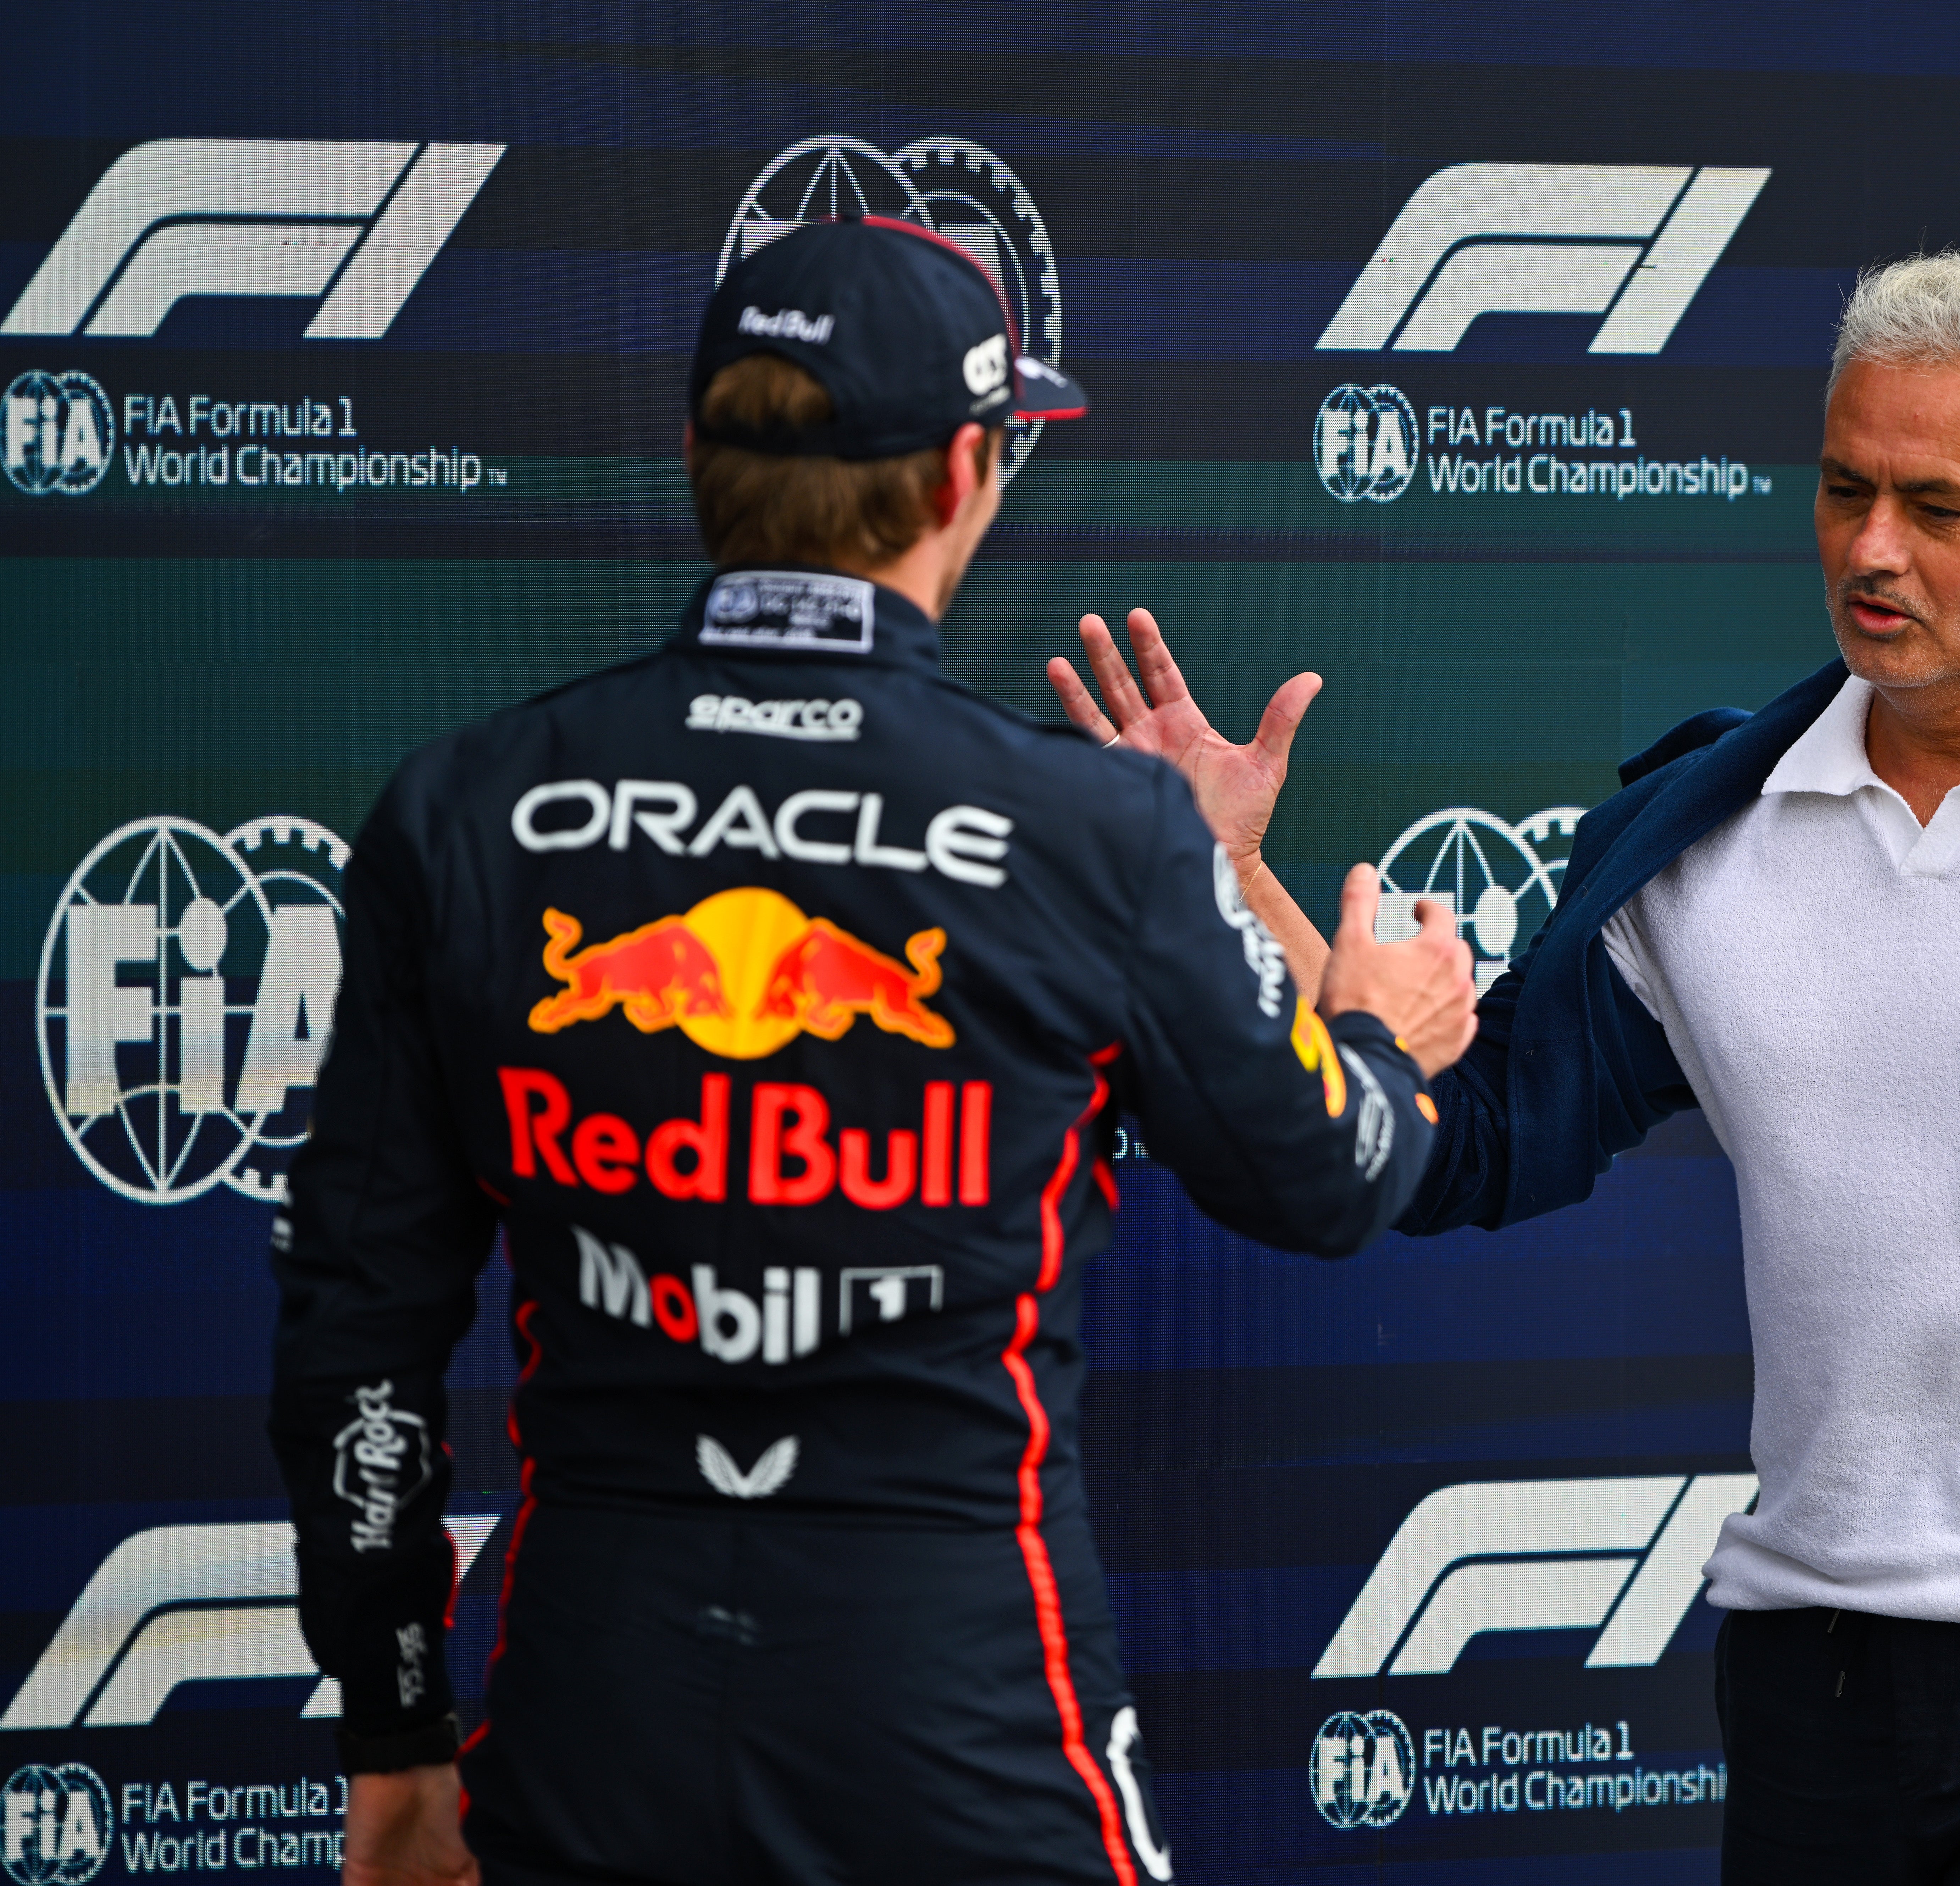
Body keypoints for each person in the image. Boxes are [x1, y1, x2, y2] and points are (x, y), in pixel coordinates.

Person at [1050, 254, 1960, 1886]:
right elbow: (1461, 1139)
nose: (1871, 549)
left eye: (1938, 508)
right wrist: (1218, 881)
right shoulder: (1703, 834)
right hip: (1812, 1655)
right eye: (1844, 489)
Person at [268, 215, 1477, 1886]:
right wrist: (1381, 1032)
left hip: (588, 1700)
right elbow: (1330, 1175)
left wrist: (394, 1737)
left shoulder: (459, 806)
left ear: (697, 453)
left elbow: (359, 1335)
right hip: (956, 1707)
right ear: (967, 473)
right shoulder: (1094, 829)